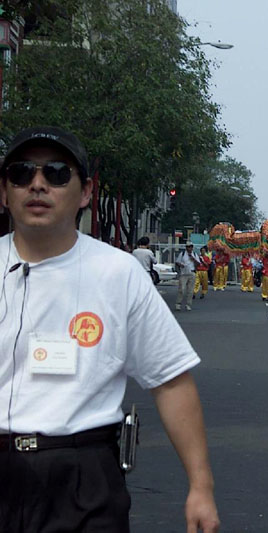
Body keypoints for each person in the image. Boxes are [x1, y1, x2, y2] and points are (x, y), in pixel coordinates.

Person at [0, 126, 219, 531]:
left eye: (56, 174)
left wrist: (200, 486)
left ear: (85, 193)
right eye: (21, 173)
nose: (37, 185)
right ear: (4, 192)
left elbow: (171, 381)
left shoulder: (118, 273)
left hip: (82, 478)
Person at [175, 243, 200, 311]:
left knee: (190, 290)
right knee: (181, 289)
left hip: (192, 272)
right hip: (184, 273)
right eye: (188, 247)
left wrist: (193, 259)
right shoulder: (182, 254)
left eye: (190, 247)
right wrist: (181, 265)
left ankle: (188, 304)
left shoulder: (194, 254)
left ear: (192, 247)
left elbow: (198, 264)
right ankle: (178, 304)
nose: (189, 248)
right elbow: (177, 262)